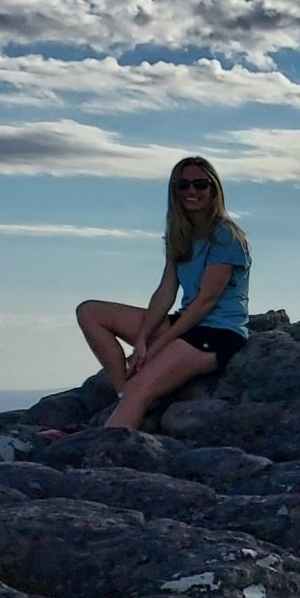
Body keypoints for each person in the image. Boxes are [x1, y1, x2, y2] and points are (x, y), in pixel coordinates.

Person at [73, 155, 252, 431]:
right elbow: (166, 290)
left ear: (213, 190)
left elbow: (206, 301)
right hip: (185, 324)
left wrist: (156, 347)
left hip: (217, 334)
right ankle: (125, 394)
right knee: (90, 311)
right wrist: (142, 340)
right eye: (184, 185)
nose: (192, 191)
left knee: (139, 390)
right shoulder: (180, 234)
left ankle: (104, 450)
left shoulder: (226, 236)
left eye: (200, 184)